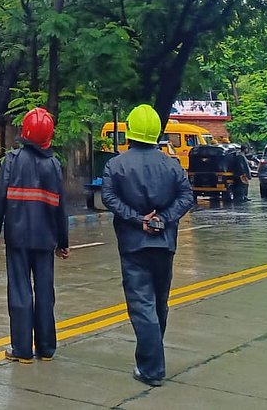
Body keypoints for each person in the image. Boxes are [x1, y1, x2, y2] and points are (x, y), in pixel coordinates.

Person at [102, 103, 195, 387]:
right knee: (159, 304)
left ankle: (152, 368)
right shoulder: (172, 164)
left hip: (133, 245)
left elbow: (109, 197)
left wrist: (136, 219)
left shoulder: (115, 165)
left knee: (142, 306)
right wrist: (163, 220)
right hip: (164, 244)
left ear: (129, 131)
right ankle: (151, 358)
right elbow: (186, 196)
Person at [0, 107, 70, 363]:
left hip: (18, 238)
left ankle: (22, 350)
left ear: (24, 132)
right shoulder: (54, 166)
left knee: (21, 291)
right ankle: (46, 348)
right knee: (45, 291)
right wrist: (63, 242)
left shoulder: (12, 161)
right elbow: (61, 207)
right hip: (46, 240)